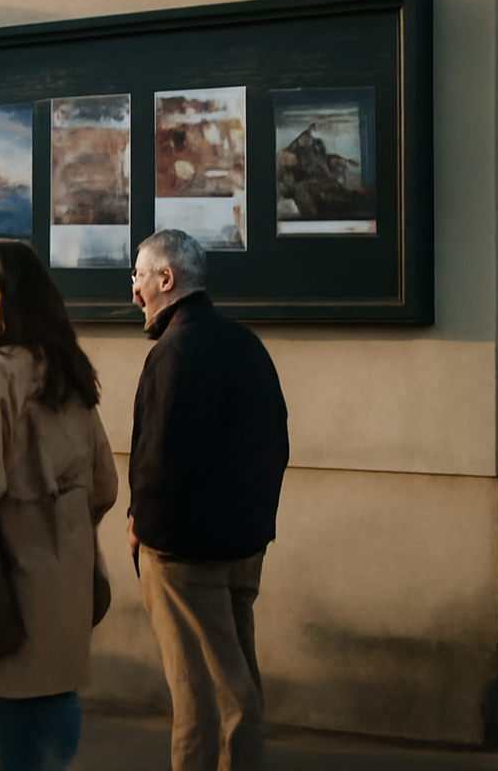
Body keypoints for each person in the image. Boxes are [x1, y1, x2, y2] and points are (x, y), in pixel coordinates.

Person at [0, 240, 118, 771]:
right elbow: (104, 484)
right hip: (65, 594)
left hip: (6, 589)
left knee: (22, 743)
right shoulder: (67, 372)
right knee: (44, 729)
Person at [127, 229, 289, 771]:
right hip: (243, 547)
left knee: (204, 694)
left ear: (166, 279)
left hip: (184, 555)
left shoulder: (175, 352)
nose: (134, 291)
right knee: (238, 674)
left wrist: (141, 528)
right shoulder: (245, 343)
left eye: (139, 276)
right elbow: (276, 442)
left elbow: (161, 457)